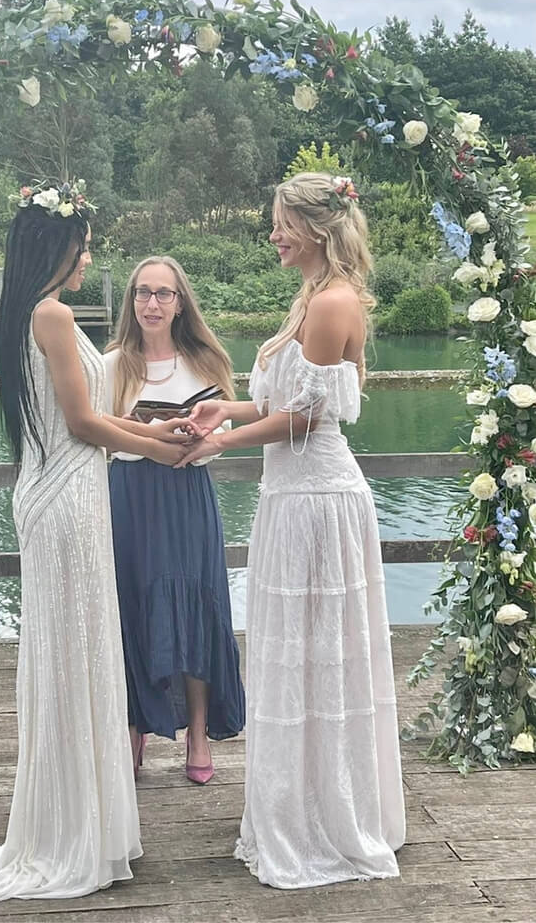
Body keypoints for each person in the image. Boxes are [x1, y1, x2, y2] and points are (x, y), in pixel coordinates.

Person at [0, 183, 190, 907]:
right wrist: (161, 451)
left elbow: (99, 416)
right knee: (76, 650)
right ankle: (73, 831)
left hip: (67, 490)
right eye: (83, 243)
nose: (89, 256)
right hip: (66, 497)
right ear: (59, 246)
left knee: (77, 649)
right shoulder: (51, 313)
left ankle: (84, 820)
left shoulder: (32, 314)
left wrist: (155, 433)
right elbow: (81, 422)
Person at [178, 173, 406, 887]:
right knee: (296, 654)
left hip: (318, 500)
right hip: (292, 493)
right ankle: (302, 801)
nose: (272, 234)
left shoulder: (333, 302)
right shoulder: (309, 297)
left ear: (315, 227)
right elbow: (285, 402)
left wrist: (222, 443)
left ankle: (328, 816)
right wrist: (228, 411)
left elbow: (312, 418)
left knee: (320, 656)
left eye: (280, 223)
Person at [104, 256, 245, 784]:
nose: (152, 303)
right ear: (131, 301)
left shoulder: (205, 361)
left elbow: (220, 439)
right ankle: (135, 726)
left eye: (163, 294)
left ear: (180, 301)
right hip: (130, 498)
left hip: (186, 495)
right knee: (132, 603)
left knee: (195, 606)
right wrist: (147, 435)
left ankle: (199, 732)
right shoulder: (113, 363)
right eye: (143, 293)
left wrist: (194, 439)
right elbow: (94, 429)